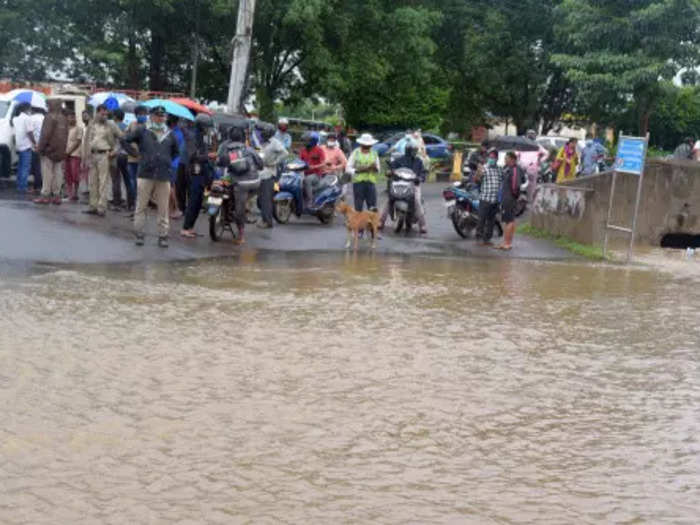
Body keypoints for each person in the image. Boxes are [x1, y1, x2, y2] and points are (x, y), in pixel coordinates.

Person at [121, 106, 180, 247]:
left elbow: (176, 152)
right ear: (152, 116)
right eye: (158, 115)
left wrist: (166, 162)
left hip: (163, 175)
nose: (161, 118)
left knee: (163, 208)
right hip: (145, 174)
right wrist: (135, 154)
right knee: (141, 206)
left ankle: (163, 235)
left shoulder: (169, 134)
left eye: (163, 116)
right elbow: (124, 140)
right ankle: (139, 234)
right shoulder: (143, 130)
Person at [216, 126, 263, 244]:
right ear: (243, 137)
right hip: (256, 182)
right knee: (242, 201)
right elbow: (261, 165)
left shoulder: (227, 149)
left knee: (239, 208)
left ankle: (241, 235)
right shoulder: (250, 149)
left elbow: (219, 163)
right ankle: (241, 207)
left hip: (241, 184)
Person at [379, 138, 428, 234]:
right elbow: (392, 167)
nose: (413, 152)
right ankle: (381, 221)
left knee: (417, 201)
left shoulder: (418, 161)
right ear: (407, 150)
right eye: (412, 150)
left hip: (413, 184)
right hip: (399, 183)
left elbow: (422, 173)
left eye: (414, 150)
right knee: (389, 199)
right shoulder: (399, 160)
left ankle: (423, 225)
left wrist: (421, 178)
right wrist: (389, 172)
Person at [83, 104, 122, 216]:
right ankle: (92, 206)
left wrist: (115, 151)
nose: (104, 116)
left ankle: (101, 207)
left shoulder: (111, 124)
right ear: (97, 113)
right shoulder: (92, 124)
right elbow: (87, 140)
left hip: (104, 155)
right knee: (92, 182)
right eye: (102, 113)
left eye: (106, 114)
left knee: (103, 182)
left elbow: (122, 138)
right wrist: (85, 156)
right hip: (92, 154)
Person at [181, 113, 215, 238]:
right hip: (194, 172)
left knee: (198, 201)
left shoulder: (202, 137)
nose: (208, 130)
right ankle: (185, 228)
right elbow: (193, 156)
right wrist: (208, 156)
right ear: (201, 126)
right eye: (206, 127)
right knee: (193, 201)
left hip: (201, 173)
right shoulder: (192, 137)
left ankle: (190, 228)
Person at [34, 99, 68, 205]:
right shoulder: (64, 118)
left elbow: (45, 135)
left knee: (47, 173)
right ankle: (57, 196)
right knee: (58, 173)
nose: (47, 107)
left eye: (48, 105)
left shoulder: (49, 117)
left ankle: (45, 195)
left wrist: (40, 148)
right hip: (60, 150)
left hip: (48, 150)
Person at [256, 129, 288, 229]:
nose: (262, 134)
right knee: (261, 199)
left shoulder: (275, 142)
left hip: (269, 173)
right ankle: (264, 217)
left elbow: (285, 153)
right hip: (260, 172)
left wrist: (275, 161)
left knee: (266, 199)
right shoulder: (262, 142)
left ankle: (268, 221)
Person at [498, 152, 528, 251]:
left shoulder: (515, 170)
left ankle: (507, 243)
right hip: (508, 198)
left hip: (509, 198)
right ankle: (507, 242)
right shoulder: (509, 169)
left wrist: (514, 196)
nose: (505, 160)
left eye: (507, 158)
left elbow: (515, 186)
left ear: (513, 159)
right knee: (509, 220)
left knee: (509, 221)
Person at [346, 133, 380, 212]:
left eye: (369, 145)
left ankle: (371, 223)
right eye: (365, 144)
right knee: (358, 206)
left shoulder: (374, 153)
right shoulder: (356, 153)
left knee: (372, 206)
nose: (367, 146)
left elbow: (378, 169)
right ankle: (358, 222)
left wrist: (374, 168)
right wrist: (358, 170)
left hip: (370, 182)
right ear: (361, 144)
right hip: (358, 183)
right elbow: (348, 168)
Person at [124, 105, 149, 213]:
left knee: (142, 184)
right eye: (139, 114)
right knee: (132, 182)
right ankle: (133, 204)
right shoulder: (131, 125)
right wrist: (131, 151)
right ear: (136, 115)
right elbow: (124, 138)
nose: (142, 116)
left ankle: (142, 206)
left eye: (144, 114)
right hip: (131, 158)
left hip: (143, 160)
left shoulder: (148, 127)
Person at [475, 148, 502, 246]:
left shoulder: (499, 169)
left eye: (493, 158)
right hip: (485, 198)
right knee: (481, 219)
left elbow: (502, 181)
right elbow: (476, 180)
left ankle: (487, 239)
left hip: (495, 199)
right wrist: (478, 173)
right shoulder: (484, 168)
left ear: (497, 159)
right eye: (490, 157)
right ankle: (478, 238)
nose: (492, 159)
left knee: (491, 220)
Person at [299, 131, 326, 207]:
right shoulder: (303, 150)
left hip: (316, 175)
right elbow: (299, 161)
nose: (304, 142)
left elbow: (323, 164)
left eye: (306, 141)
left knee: (307, 180)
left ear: (312, 141)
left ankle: (310, 200)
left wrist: (313, 167)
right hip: (304, 173)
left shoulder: (319, 150)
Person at [11, 103, 33, 195]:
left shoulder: (15, 119)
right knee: (25, 167)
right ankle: (23, 187)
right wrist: (35, 143)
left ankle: (19, 185)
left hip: (19, 145)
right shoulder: (27, 118)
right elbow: (30, 132)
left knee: (20, 167)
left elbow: (14, 134)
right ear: (26, 109)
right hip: (26, 145)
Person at [109, 109, 128, 210]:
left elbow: (117, 143)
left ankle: (116, 201)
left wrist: (112, 153)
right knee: (126, 180)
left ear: (115, 117)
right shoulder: (126, 126)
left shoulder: (113, 127)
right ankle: (126, 200)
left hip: (115, 155)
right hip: (126, 156)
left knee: (115, 179)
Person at [64, 110, 83, 201]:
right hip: (65, 154)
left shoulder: (79, 128)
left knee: (75, 174)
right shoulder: (65, 129)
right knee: (67, 175)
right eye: (70, 117)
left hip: (75, 154)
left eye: (74, 117)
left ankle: (75, 193)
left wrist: (69, 152)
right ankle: (69, 194)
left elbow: (78, 142)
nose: (72, 119)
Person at [28, 107, 45, 193]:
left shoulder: (32, 118)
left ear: (33, 110)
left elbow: (30, 132)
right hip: (43, 145)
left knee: (36, 167)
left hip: (35, 146)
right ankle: (41, 186)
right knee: (42, 167)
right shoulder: (44, 118)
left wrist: (34, 143)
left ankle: (36, 187)